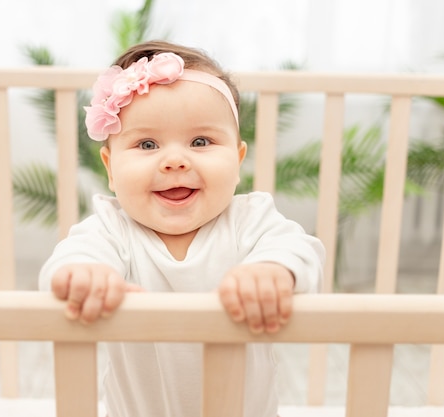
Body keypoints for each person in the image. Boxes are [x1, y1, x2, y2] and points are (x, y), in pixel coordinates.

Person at [39, 40, 325, 417]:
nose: (175, 160)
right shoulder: (112, 230)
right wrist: (85, 276)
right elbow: (67, 262)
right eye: (147, 143)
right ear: (110, 168)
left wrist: (272, 271)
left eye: (201, 141)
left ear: (238, 160)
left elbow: (302, 251)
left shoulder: (250, 220)